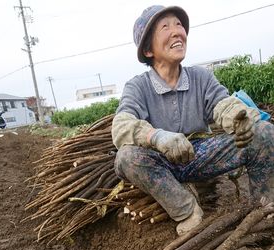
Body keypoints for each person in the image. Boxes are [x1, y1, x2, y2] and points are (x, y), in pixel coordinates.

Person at [111, 5, 274, 236]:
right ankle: (187, 210)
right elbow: (120, 126)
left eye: (178, 24)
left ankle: (264, 211)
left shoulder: (200, 77)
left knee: (264, 132)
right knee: (126, 157)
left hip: (201, 156)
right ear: (148, 49)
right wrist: (157, 136)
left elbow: (221, 102)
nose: (177, 31)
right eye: (165, 27)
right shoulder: (138, 86)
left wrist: (238, 118)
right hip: (161, 164)